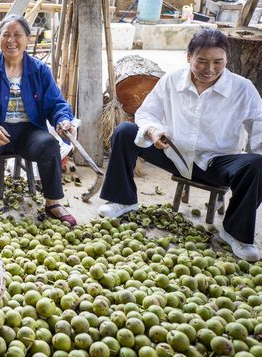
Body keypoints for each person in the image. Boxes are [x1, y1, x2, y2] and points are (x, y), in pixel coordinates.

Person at [98, 28, 262, 261]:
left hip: (216, 164)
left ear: (227, 59)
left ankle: (235, 232)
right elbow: (147, 114)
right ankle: (122, 200)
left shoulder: (242, 88)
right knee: (125, 131)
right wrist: (154, 132)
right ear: (188, 58)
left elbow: (259, 128)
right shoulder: (172, 80)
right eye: (202, 61)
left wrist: (253, 172)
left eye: (218, 62)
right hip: (174, 153)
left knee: (258, 165)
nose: (210, 69)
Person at [0, 14, 78, 225]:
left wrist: (63, 120)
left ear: (28, 39)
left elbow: (56, 103)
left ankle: (53, 203)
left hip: (28, 132)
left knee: (49, 144)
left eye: (17, 35)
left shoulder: (39, 70)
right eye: (5, 35)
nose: (11, 40)